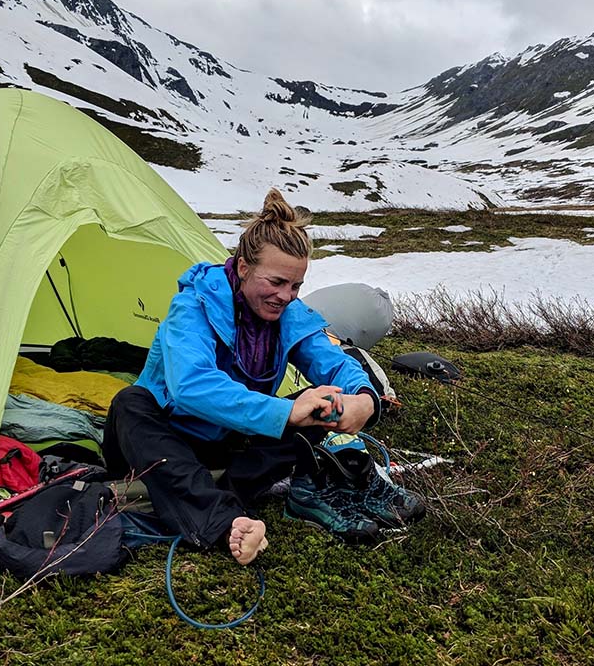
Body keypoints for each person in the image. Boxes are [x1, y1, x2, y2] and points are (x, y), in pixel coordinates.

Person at [103, 189, 406, 565]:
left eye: (295, 286)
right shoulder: (193, 306)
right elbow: (190, 387)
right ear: (243, 267)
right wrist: (284, 414)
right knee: (130, 404)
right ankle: (227, 521)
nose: (286, 296)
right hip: (164, 437)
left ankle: (238, 495)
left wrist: (362, 398)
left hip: (226, 441)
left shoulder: (286, 312)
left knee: (319, 400)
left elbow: (330, 360)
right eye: (276, 282)